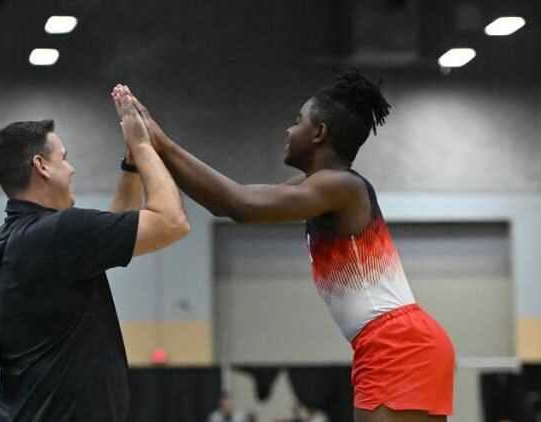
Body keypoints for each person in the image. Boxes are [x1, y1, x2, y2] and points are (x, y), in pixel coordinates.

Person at [114, 72, 455, 422]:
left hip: (395, 342)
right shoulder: (319, 189)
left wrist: (158, 142)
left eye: (297, 121)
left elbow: (237, 205)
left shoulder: (341, 187)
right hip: (399, 341)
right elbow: (233, 198)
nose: (288, 131)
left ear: (319, 133)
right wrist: (156, 144)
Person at [0, 94, 189, 421]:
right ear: (41, 166)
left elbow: (110, 235)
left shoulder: (2, 244)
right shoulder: (58, 233)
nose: (72, 168)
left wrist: (132, 162)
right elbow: (171, 223)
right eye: (64, 158)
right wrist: (145, 144)